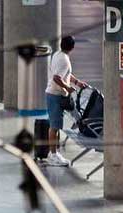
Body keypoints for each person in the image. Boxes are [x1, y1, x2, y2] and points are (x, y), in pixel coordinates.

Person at [43, 35, 87, 168]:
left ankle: (54, 153)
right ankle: (53, 155)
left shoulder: (58, 55)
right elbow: (57, 78)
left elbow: (65, 74)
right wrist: (67, 87)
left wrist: (77, 82)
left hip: (55, 95)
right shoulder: (64, 60)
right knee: (54, 126)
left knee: (56, 124)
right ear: (72, 47)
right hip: (55, 95)